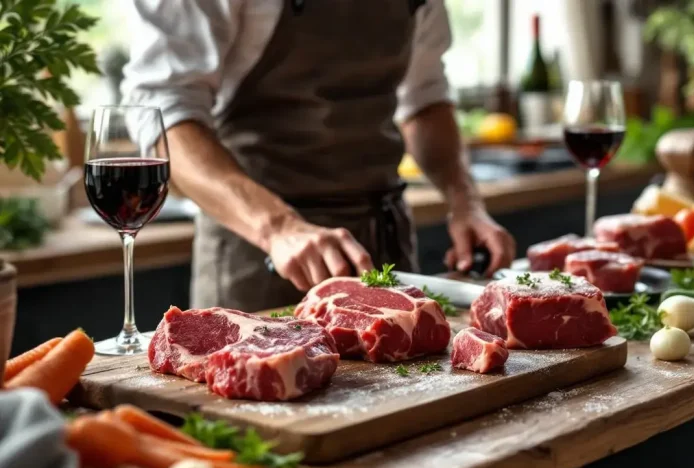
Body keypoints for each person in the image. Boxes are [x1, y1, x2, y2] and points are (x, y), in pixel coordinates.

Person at [123, 0, 516, 312]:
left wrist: (466, 202)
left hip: (385, 247)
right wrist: (279, 228)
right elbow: (165, 115)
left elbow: (425, 98)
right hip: (263, 256)